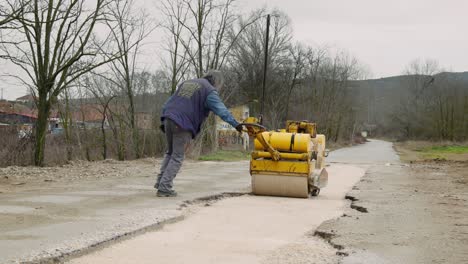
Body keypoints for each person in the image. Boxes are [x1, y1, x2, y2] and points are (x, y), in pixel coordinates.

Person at [155, 70, 243, 197]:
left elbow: (168, 102)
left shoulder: (187, 83)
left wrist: (165, 118)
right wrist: (236, 124)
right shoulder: (209, 90)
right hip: (182, 123)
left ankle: (160, 182)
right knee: (177, 156)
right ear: (216, 82)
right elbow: (221, 110)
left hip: (168, 117)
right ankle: (164, 187)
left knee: (170, 152)